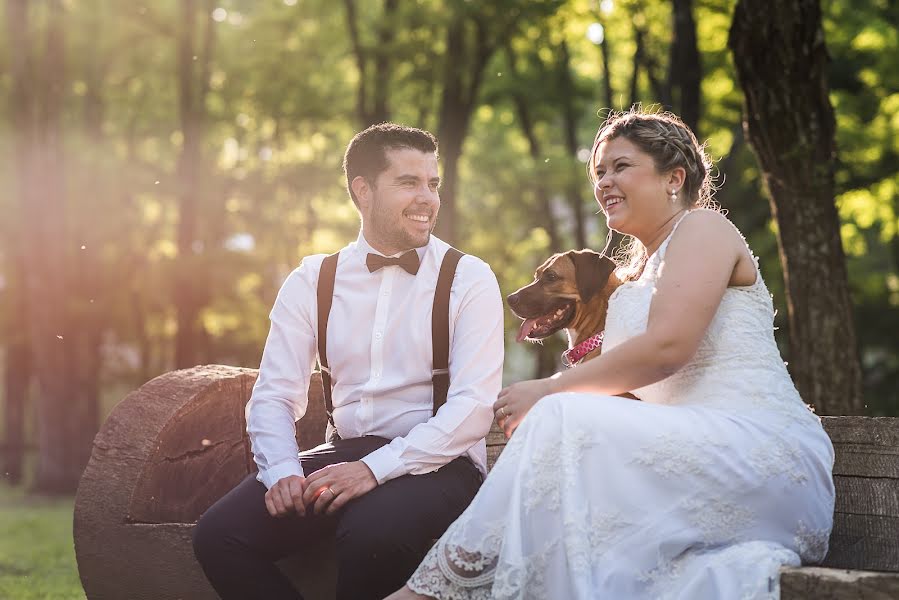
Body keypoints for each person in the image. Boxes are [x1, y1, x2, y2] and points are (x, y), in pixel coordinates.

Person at [388, 108, 835, 599]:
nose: (604, 182)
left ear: (674, 177)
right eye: (598, 171)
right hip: (683, 459)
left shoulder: (704, 229)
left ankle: (427, 593)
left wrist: (548, 388)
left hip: (757, 456)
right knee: (570, 491)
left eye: (620, 167)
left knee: (560, 414)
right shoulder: (632, 282)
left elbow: (667, 348)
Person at [192, 123, 504, 600]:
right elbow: (274, 394)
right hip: (343, 452)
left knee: (371, 531)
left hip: (439, 464)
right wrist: (282, 472)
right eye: (408, 182)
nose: (427, 198)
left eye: (432, 183)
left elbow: (473, 409)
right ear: (363, 190)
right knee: (220, 536)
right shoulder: (312, 280)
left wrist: (374, 470)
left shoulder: (469, 278)